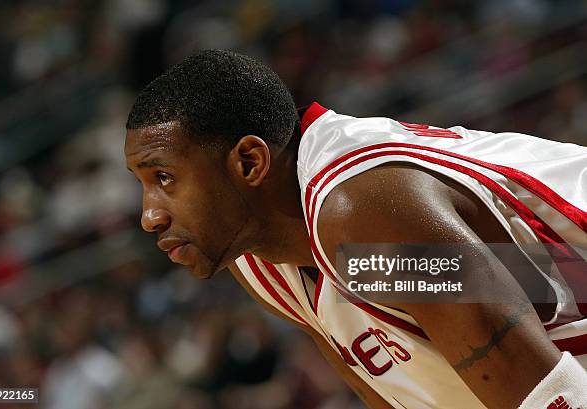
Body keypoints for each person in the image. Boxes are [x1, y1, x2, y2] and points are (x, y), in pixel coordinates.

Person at [124, 49, 587, 409]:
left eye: (163, 178)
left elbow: (548, 392)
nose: (150, 215)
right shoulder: (258, 259)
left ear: (249, 162)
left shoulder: (362, 212)